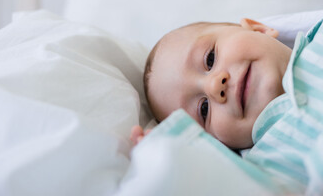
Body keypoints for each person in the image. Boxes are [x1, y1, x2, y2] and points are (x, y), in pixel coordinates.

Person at [130, 18, 323, 194]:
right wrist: (173, 162)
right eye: (204, 110)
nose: (214, 86)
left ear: (259, 29)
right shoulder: (266, 166)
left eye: (210, 59)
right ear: (220, 145)